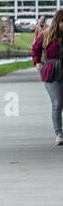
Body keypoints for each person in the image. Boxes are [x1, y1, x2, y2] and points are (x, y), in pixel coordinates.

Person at [30, 9, 63, 145]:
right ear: (57, 22)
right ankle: (59, 134)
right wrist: (37, 62)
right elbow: (35, 49)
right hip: (51, 71)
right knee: (57, 103)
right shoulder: (46, 35)